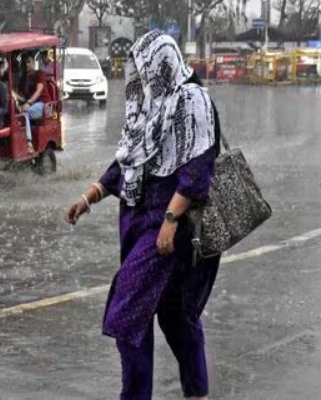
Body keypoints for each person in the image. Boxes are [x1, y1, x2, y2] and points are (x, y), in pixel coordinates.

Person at [65, 30, 220, 400]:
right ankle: (197, 392)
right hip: (139, 224)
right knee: (174, 315)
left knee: (127, 311)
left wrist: (170, 220)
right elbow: (129, 164)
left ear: (160, 64)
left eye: (143, 67)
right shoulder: (149, 110)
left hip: (169, 228)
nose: (138, 76)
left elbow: (199, 168)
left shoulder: (191, 101)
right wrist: (91, 196)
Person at [20, 54, 49, 153]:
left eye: (29, 62)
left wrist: (28, 103)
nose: (27, 65)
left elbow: (39, 90)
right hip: (32, 104)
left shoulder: (39, 74)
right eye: (25, 63)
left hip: (43, 104)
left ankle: (29, 143)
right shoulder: (24, 78)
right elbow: (23, 96)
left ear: (33, 62)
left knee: (25, 113)